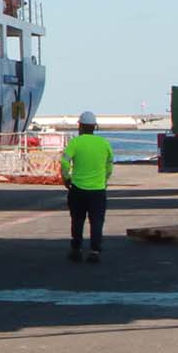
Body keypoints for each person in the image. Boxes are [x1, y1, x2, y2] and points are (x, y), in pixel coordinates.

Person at [61, 109, 115, 263]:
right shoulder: (104, 144)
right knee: (97, 221)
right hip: (98, 190)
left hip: (78, 189)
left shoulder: (75, 142)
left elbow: (64, 161)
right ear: (94, 127)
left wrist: (66, 178)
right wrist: (104, 179)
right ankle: (95, 251)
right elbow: (110, 164)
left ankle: (76, 249)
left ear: (80, 126)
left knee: (77, 220)